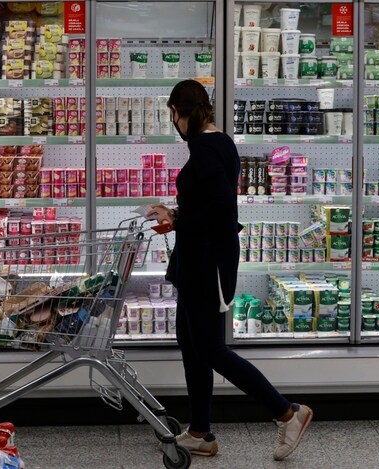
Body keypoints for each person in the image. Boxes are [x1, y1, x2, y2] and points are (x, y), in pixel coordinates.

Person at [148, 80, 313, 461]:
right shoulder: (216, 142)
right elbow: (210, 205)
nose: (174, 122)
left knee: (210, 348)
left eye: (174, 115)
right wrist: (177, 216)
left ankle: (287, 413)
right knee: (190, 344)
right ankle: (201, 432)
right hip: (198, 259)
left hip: (206, 262)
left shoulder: (205, 149)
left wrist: (175, 218)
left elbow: (221, 212)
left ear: (180, 112)